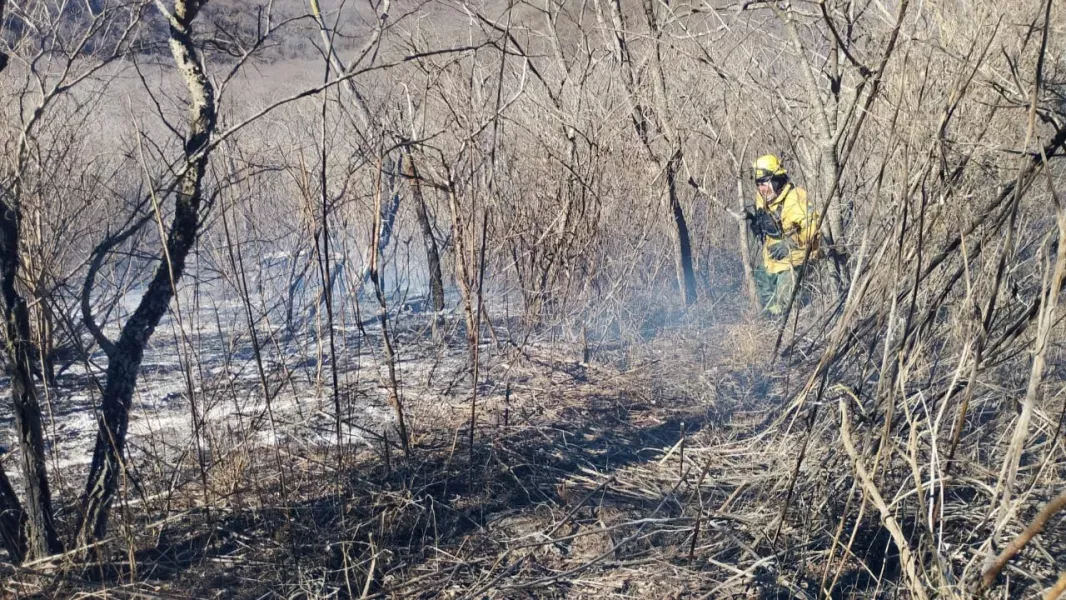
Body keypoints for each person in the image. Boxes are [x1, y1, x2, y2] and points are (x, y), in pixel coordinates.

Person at [745, 154, 821, 316]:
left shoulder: (795, 198)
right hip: (772, 262)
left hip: (795, 261)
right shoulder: (763, 197)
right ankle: (772, 323)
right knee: (761, 290)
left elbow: (813, 231)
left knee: (786, 300)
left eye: (764, 182)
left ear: (776, 180)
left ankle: (796, 319)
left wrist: (789, 244)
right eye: (758, 184)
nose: (761, 188)